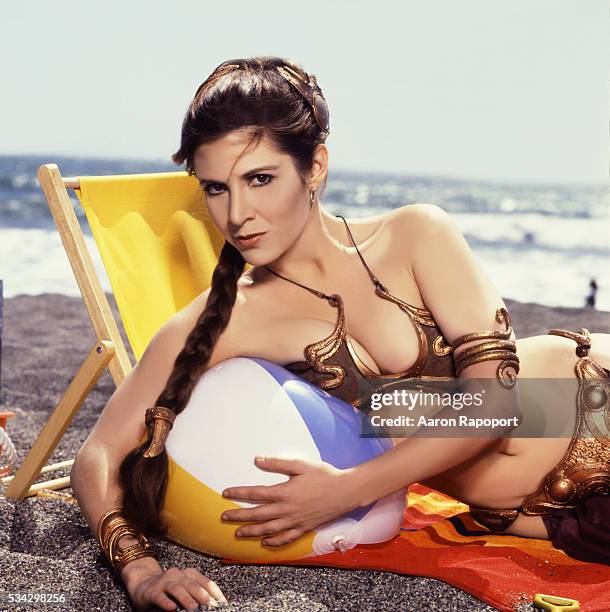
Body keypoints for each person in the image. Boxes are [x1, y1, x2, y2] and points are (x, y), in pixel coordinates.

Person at [70, 56, 610, 612]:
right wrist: (140, 571)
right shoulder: (230, 317)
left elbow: (501, 401)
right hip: (551, 519)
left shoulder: (414, 234)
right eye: (215, 188)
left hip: (597, 399)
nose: (237, 214)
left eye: (260, 179)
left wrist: (347, 490)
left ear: (316, 166)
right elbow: (100, 454)